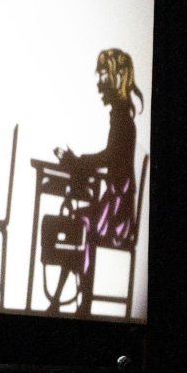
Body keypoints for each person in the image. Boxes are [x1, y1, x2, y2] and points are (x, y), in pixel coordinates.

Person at [50, 48, 143, 315]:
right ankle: (62, 299)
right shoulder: (120, 115)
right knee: (76, 220)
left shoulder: (122, 118)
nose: (99, 82)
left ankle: (82, 304)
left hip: (118, 212)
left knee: (81, 224)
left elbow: (109, 157)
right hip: (113, 205)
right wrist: (78, 162)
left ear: (116, 78)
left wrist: (77, 161)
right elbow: (109, 160)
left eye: (104, 75)